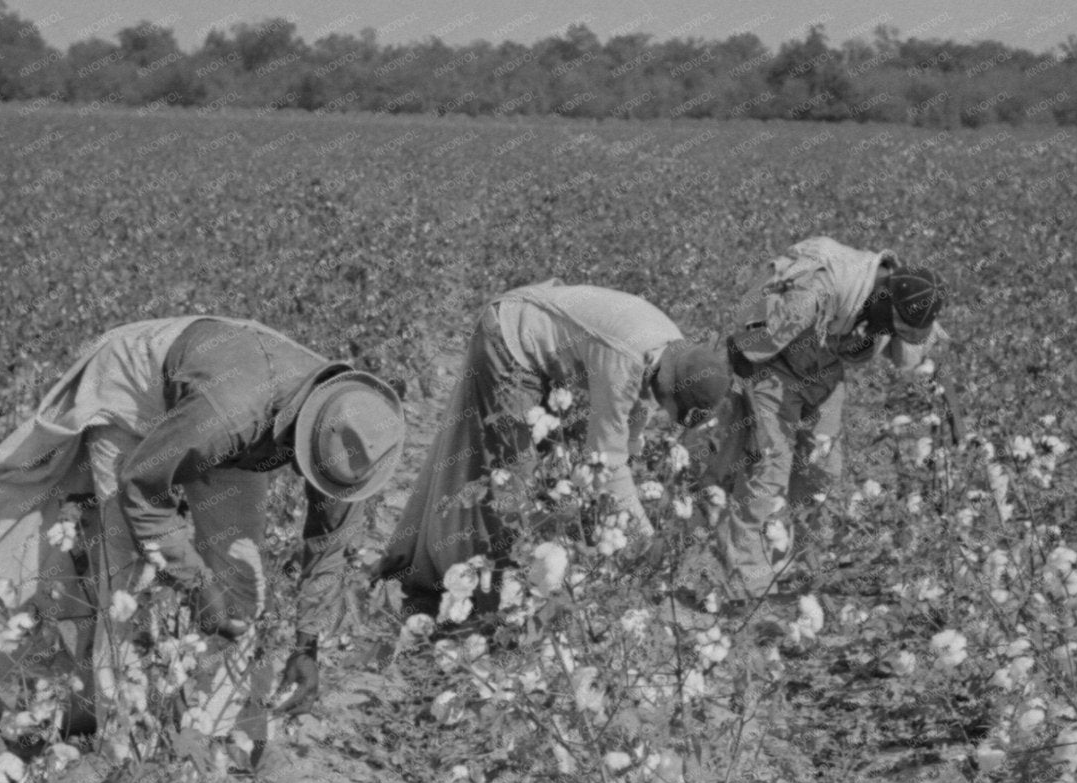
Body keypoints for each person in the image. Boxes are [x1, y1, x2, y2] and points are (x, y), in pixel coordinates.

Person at [0, 316, 406, 755]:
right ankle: (123, 738)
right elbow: (143, 486)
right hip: (138, 394)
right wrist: (196, 583)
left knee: (241, 578)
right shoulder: (231, 413)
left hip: (225, 423)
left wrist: (308, 645)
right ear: (309, 432)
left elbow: (327, 541)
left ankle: (209, 735)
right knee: (126, 577)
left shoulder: (353, 437)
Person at [373, 281, 730, 614]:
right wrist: (645, 538)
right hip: (510, 339)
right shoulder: (626, 359)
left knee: (550, 471)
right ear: (670, 391)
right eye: (673, 412)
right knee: (513, 480)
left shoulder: (673, 351)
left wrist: (628, 494)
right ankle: (491, 596)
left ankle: (507, 574)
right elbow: (605, 460)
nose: (667, 418)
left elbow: (630, 425)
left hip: (538, 333)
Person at [706, 238, 946, 599]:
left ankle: (779, 548)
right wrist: (747, 408)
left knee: (822, 470)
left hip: (824, 368)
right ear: (883, 302)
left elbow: (922, 353)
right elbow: (751, 347)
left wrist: (946, 402)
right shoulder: (818, 289)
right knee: (769, 468)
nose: (892, 335)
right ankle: (743, 577)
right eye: (894, 327)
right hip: (771, 362)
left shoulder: (904, 297)